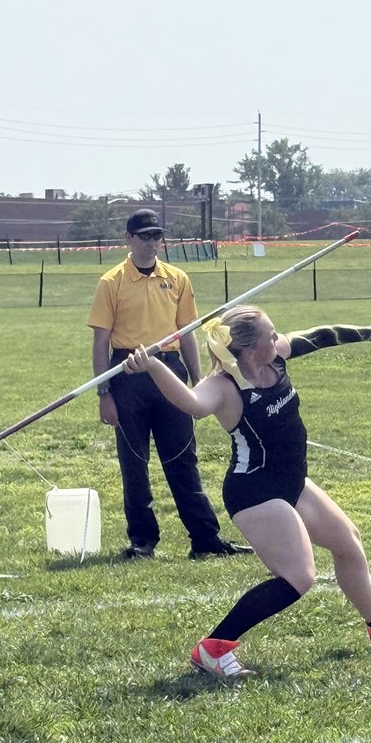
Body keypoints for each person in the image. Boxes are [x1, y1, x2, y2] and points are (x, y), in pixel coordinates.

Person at [122, 307, 371, 677]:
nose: (277, 337)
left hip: (291, 481)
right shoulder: (224, 387)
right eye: (270, 334)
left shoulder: (276, 356)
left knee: (347, 542)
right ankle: (213, 648)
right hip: (255, 492)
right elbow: (192, 405)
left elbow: (321, 334)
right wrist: (153, 366)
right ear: (250, 351)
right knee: (299, 577)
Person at [88, 208, 252, 560]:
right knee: (134, 462)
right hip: (128, 374)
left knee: (182, 458)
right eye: (144, 236)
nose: (151, 243)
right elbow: (100, 343)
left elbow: (187, 333)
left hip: (170, 370)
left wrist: (198, 382)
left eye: (157, 237)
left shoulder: (177, 278)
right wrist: (104, 393)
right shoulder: (111, 282)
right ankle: (142, 541)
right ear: (129, 238)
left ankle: (205, 539)